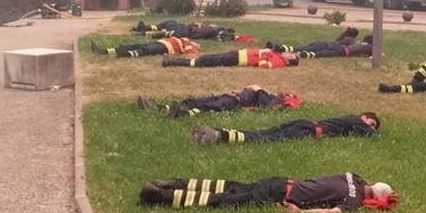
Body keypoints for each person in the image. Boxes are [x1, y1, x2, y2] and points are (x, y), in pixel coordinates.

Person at [138, 172, 398, 213]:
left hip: (280, 181)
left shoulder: (350, 175)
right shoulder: (354, 201)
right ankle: (159, 197)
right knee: (225, 200)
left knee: (226, 186)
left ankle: (170, 183)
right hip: (279, 197)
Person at [191, 112, 380, 145]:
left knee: (264, 133)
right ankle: (218, 135)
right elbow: (370, 135)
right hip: (309, 131)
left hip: (305, 124)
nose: (368, 126)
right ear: (365, 117)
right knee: (265, 138)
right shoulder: (357, 120)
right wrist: (373, 130)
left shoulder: (348, 120)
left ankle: (212, 131)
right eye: (370, 122)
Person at [137, 85, 302, 118]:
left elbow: (265, 109)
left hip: (234, 102)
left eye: (290, 94)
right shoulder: (271, 96)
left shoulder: (271, 102)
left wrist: (257, 90)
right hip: (230, 96)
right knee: (195, 100)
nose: (288, 91)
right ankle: (157, 108)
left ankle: (181, 114)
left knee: (211, 107)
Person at [161, 47, 299, 69]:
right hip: (239, 54)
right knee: (208, 58)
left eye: (291, 55)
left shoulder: (279, 61)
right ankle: (172, 61)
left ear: (290, 60)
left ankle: (171, 62)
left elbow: (264, 65)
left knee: (205, 61)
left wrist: (265, 54)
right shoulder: (278, 56)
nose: (289, 53)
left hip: (240, 59)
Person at [130, 19, 247, 42]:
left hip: (189, 32)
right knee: (170, 23)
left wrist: (234, 37)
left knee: (168, 32)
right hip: (187, 27)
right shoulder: (213, 27)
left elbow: (224, 37)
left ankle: (141, 33)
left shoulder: (218, 32)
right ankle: (142, 28)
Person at [90, 36, 200, 58]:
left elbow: (190, 54)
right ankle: (104, 51)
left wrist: (191, 46)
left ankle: (126, 55)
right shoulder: (184, 39)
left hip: (165, 48)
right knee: (136, 45)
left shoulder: (189, 44)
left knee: (147, 50)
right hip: (160, 42)